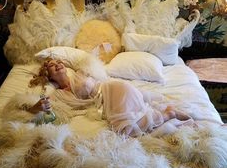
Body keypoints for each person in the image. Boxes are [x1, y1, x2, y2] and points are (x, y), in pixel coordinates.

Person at [27, 58, 193, 137]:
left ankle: (168, 114)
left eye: (59, 62)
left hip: (113, 90)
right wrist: (36, 108)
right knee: (126, 131)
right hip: (107, 104)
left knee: (125, 132)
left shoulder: (79, 74)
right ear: (48, 75)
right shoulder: (58, 95)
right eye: (51, 66)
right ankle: (167, 113)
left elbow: (88, 61)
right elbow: (48, 111)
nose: (57, 65)